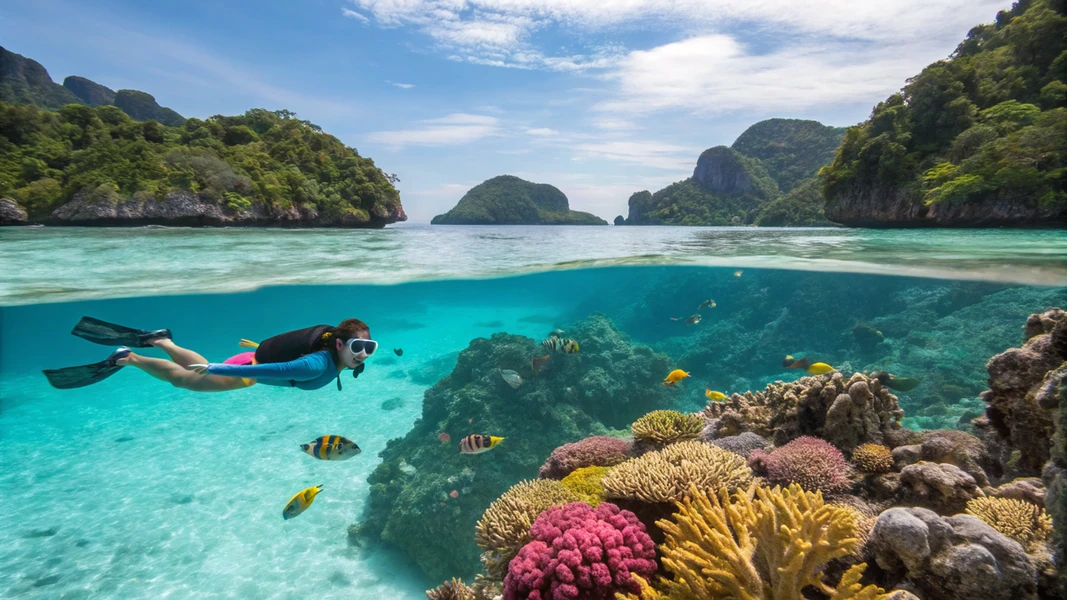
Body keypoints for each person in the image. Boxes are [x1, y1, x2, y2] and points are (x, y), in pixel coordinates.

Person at [43, 317, 375, 392]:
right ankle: (129, 357)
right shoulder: (316, 364)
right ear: (338, 344)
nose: (362, 354)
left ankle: (162, 341)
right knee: (187, 381)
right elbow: (278, 370)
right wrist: (218, 369)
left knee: (193, 373)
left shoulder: (333, 351)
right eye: (357, 347)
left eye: (369, 349)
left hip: (252, 361)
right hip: (249, 370)